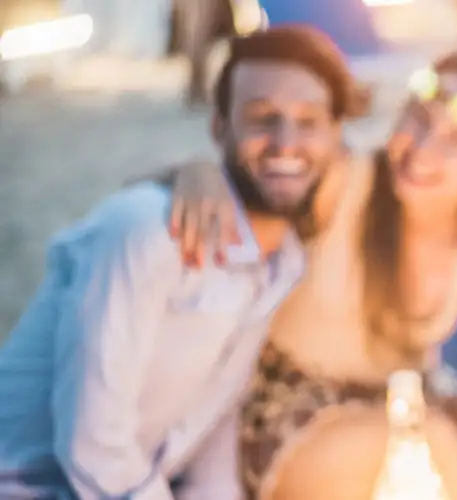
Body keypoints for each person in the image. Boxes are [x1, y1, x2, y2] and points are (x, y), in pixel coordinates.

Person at [164, 44, 457, 498]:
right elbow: (252, 170)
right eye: (417, 121)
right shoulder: (344, 181)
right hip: (276, 416)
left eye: (455, 140)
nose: (421, 150)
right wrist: (199, 174)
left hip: (391, 417)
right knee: (433, 446)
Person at [0, 26, 350, 499]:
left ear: (334, 135)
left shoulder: (283, 262)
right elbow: (93, 445)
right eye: (263, 117)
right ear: (219, 127)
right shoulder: (147, 233)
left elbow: (209, 427)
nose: (286, 142)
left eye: (308, 122)